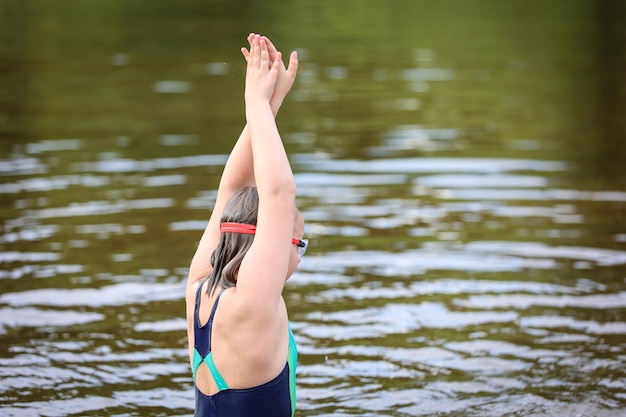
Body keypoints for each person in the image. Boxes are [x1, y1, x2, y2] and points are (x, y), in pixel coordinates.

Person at [185, 33, 304, 417]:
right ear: (271, 241)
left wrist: (269, 106)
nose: (299, 257)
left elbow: (231, 191)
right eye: (300, 243)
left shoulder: (200, 291)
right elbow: (278, 195)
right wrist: (255, 102)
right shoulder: (253, 305)